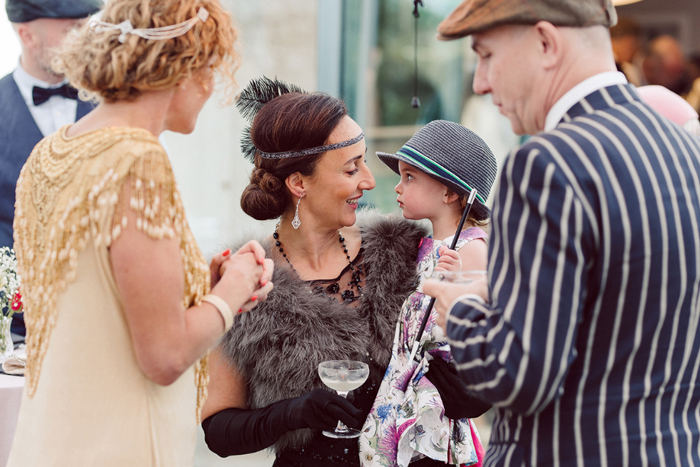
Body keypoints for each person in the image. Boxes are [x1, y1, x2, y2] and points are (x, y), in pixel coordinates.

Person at [423, 0, 700, 465]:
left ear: (546, 43)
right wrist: (508, 294)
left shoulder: (545, 164)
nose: (480, 82)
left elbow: (519, 376)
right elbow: (634, 310)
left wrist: (463, 310)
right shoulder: (685, 149)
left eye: (486, 54)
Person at [7, 1, 274, 465]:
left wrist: (201, 287)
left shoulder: (49, 154)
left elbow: (98, 300)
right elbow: (165, 356)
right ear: (181, 67)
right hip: (117, 443)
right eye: (208, 69)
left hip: (50, 435)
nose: (211, 87)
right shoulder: (137, 159)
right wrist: (233, 289)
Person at [200, 77, 430, 466]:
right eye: (351, 168)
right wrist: (292, 413)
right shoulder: (246, 279)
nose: (369, 181)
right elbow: (218, 430)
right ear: (298, 183)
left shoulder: (405, 252)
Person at [359, 120, 496, 467]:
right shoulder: (423, 245)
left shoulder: (471, 249)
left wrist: (459, 284)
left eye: (410, 177)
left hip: (436, 397)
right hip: (405, 385)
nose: (398, 188)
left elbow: (478, 327)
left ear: (451, 193)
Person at [1, 0, 101, 337]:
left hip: (101, 319)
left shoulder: (115, 107)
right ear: (27, 35)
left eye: (87, 25)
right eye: (72, 29)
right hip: (12, 325)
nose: (85, 38)